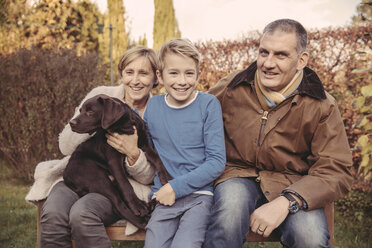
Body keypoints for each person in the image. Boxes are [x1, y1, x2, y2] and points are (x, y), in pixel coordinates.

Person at [203, 19, 353, 248]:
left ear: (301, 60)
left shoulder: (321, 105)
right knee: (230, 211)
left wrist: (288, 201)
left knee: (310, 237)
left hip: (294, 183)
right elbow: (193, 117)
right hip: (237, 174)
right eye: (264, 52)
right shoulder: (233, 86)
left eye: (280, 55)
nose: (268, 63)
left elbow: (335, 169)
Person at [36, 46, 159, 248]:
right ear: (121, 74)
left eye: (143, 73)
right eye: (129, 72)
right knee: (54, 213)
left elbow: (149, 176)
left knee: (82, 214)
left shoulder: (158, 113)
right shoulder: (101, 96)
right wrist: (102, 121)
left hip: (119, 190)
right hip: (79, 175)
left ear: (156, 77)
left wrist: (132, 152)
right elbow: (65, 145)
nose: (135, 80)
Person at [143, 38, 226, 248]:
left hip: (199, 196)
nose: (182, 81)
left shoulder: (208, 105)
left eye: (189, 73)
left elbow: (216, 162)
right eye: (174, 73)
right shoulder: (152, 107)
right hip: (163, 196)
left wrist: (176, 187)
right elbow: (148, 151)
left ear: (198, 74)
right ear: (160, 76)